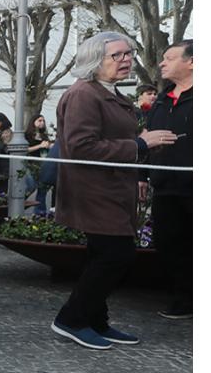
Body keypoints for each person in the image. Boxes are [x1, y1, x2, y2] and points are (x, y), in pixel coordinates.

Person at [51, 31, 177, 349]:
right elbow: (81, 147)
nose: (126, 60)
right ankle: (71, 319)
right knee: (115, 255)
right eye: (117, 55)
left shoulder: (110, 93)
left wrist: (145, 148)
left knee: (102, 254)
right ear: (95, 60)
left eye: (128, 53)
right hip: (94, 190)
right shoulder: (84, 94)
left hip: (111, 188)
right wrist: (139, 144)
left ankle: (96, 321)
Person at [143, 39, 192, 319]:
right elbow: (147, 139)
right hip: (165, 187)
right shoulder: (162, 100)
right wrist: (142, 175)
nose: (162, 63)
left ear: (192, 62)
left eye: (170, 58)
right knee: (169, 242)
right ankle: (183, 298)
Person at [24, 115, 54, 215]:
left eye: (43, 121)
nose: (42, 123)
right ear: (33, 122)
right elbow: (24, 150)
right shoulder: (27, 135)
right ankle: (16, 207)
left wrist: (50, 146)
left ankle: (40, 213)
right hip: (31, 165)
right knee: (30, 187)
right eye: (39, 120)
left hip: (43, 165)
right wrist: (40, 146)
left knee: (42, 190)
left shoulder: (44, 136)